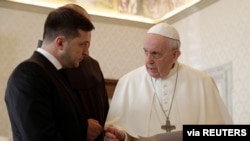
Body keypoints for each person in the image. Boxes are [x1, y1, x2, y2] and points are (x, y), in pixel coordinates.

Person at [104, 22, 233, 141]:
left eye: (156, 54)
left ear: (175, 55)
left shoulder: (202, 82)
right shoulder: (127, 83)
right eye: (145, 52)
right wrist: (122, 136)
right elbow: (117, 131)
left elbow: (217, 131)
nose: (148, 60)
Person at [5, 3, 101, 141]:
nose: (86, 52)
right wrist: (82, 131)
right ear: (60, 43)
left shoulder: (56, 72)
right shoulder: (28, 75)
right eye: (83, 45)